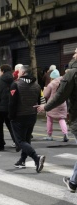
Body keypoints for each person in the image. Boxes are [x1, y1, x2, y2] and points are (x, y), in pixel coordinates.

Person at [36, 48, 77, 192]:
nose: (73, 54)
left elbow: (60, 96)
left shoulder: (72, 73)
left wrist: (45, 107)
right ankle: (73, 182)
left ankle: (73, 183)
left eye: (76, 52)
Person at [9, 65, 45, 172]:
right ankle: (22, 160)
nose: (18, 73)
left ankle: (36, 158)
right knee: (27, 139)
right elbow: (39, 101)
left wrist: (11, 116)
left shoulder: (15, 84)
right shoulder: (37, 86)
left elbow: (12, 103)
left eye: (19, 71)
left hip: (19, 116)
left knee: (19, 141)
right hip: (32, 116)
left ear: (23, 73)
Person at [0, 64, 16, 150]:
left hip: (0, 108)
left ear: (3, 71)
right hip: (11, 107)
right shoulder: (14, 81)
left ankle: (1, 144)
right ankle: (17, 142)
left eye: (0, 71)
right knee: (11, 125)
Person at [42, 69, 68, 142]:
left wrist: (45, 89)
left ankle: (49, 135)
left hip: (52, 103)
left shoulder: (51, 84)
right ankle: (65, 133)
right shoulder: (64, 82)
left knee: (49, 118)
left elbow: (45, 95)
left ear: (52, 77)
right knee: (61, 118)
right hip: (62, 103)